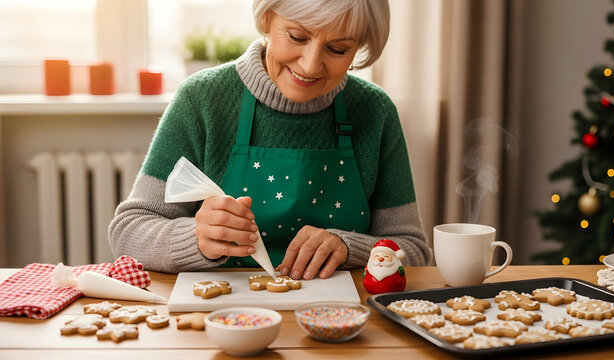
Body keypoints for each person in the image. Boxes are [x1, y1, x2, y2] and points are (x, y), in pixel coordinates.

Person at [109, 0, 432, 279]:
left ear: (359, 46)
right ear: (267, 19)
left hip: (340, 326)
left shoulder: (374, 111)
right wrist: (197, 238)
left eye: (338, 49)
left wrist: (351, 248)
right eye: (296, 36)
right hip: (218, 327)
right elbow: (129, 231)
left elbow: (413, 250)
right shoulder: (202, 100)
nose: (310, 64)